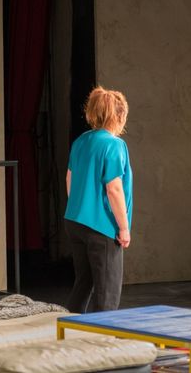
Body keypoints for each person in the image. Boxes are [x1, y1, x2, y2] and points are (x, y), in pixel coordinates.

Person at [64, 86, 133, 313]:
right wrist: (123, 228)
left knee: (83, 283)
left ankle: (69, 329)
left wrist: (80, 207)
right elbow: (114, 189)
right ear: (119, 115)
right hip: (101, 227)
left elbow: (69, 179)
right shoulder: (114, 145)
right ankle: (102, 334)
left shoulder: (80, 141)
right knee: (107, 292)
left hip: (74, 221)